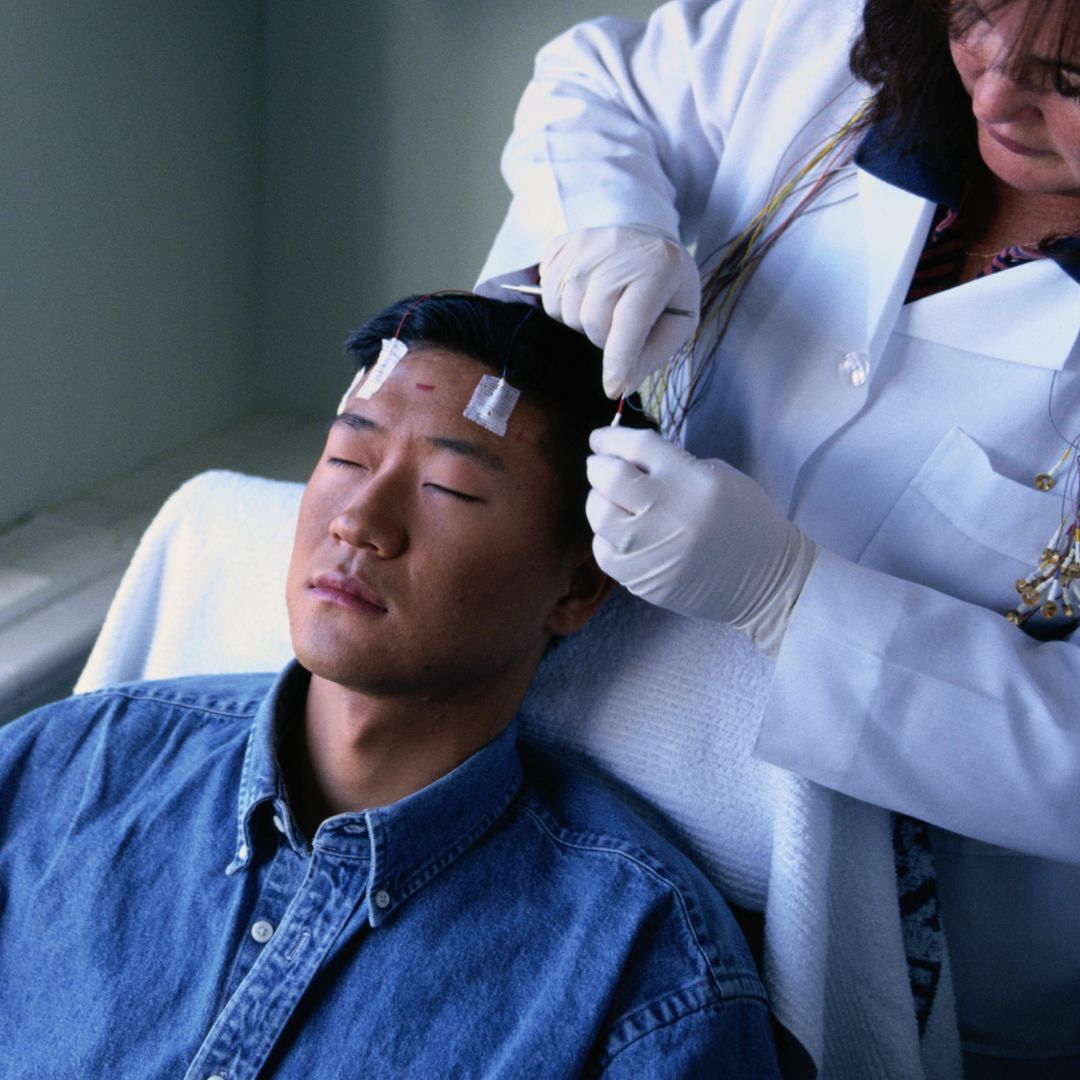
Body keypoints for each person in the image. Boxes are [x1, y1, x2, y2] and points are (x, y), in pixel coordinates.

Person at [477, 0, 1080, 1076]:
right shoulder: (818, 50)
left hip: (950, 958)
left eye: (1070, 78)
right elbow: (593, 81)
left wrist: (794, 603)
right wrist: (611, 218)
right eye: (976, 14)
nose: (993, 89)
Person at [0, 294, 779, 1079]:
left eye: (450, 490)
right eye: (347, 460)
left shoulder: (644, 976)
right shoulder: (59, 769)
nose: (359, 521)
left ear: (576, 588)